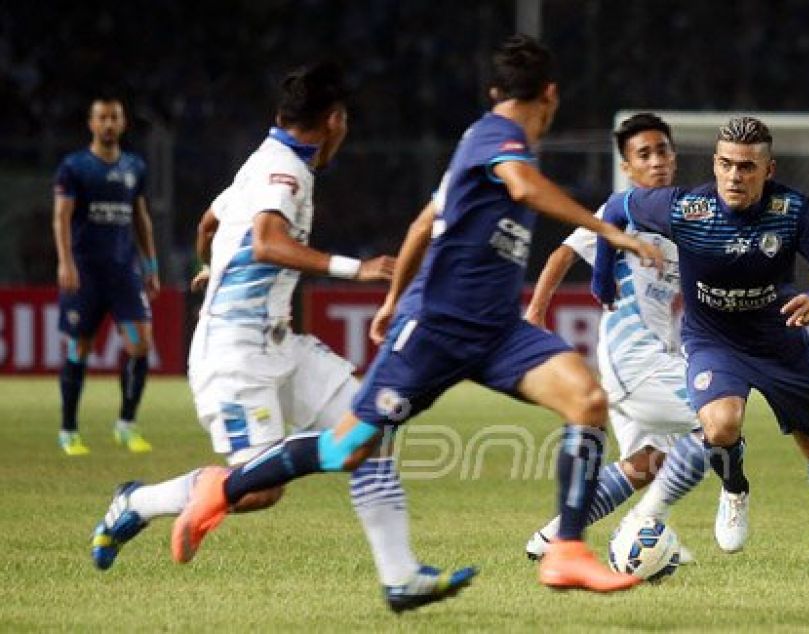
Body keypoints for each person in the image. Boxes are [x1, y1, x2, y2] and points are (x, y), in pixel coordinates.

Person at [166, 34, 662, 594]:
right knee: (346, 447)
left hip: (496, 329)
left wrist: (390, 297)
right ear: (550, 94)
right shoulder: (497, 138)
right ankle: (222, 489)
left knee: (587, 401)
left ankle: (567, 549)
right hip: (439, 329)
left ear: (499, 89)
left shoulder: (480, 145)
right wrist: (607, 231)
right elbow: (522, 188)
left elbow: (423, 225)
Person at [88, 62, 475, 613]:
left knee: (373, 430)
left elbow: (208, 223)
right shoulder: (284, 173)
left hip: (280, 344)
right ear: (335, 121)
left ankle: (401, 578)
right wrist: (356, 269)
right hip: (234, 354)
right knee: (261, 488)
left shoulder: (266, 163)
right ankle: (139, 501)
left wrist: (211, 267)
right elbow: (268, 242)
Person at [591, 116, 809, 577]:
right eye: (725, 164)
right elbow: (613, 209)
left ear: (767, 170)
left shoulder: (792, 210)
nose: (734, 176)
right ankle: (734, 488)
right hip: (714, 341)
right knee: (721, 424)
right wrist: (601, 275)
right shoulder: (686, 208)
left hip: (780, 342)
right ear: (714, 164)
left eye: (746, 167)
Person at [523, 113, 732, 560]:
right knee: (716, 418)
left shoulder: (683, 218)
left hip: (658, 353)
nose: (656, 161)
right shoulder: (620, 213)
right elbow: (563, 253)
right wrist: (537, 310)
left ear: (674, 157)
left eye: (662, 151)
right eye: (644, 154)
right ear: (628, 166)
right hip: (632, 357)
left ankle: (552, 537)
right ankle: (643, 526)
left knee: (647, 465)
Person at [52, 97, 159, 456]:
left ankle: (126, 424)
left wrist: (151, 267)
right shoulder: (75, 167)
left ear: (123, 122)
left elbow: (141, 218)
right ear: (91, 123)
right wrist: (65, 262)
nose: (109, 124)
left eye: (114, 117)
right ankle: (69, 430)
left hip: (124, 273)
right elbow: (61, 217)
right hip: (86, 274)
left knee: (140, 344)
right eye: (102, 117)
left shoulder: (135, 167)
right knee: (80, 346)